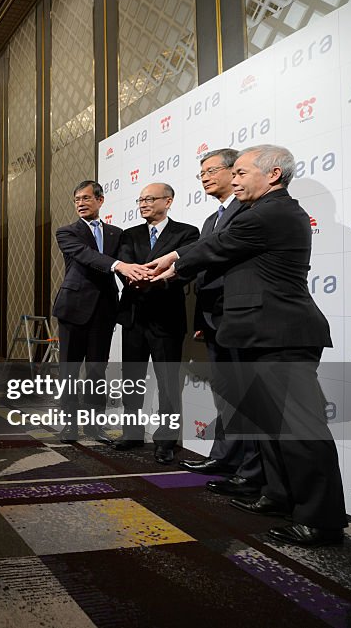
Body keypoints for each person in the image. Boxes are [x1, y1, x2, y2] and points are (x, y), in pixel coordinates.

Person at [150, 144, 347, 547]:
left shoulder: (272, 212)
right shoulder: (259, 212)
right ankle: (278, 495)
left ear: (272, 175)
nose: (233, 179)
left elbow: (214, 246)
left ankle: (322, 520)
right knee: (270, 429)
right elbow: (215, 245)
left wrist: (169, 264)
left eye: (240, 172)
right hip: (260, 335)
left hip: (283, 335)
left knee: (299, 431)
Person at [178, 149, 264, 497]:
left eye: (212, 170)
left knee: (248, 398)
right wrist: (200, 318)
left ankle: (251, 470)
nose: (205, 178)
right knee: (227, 396)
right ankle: (224, 457)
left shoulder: (251, 211)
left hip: (242, 318)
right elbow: (205, 274)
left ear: (234, 172)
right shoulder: (211, 221)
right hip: (215, 318)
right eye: (201, 174)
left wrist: (172, 264)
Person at [52, 180, 149, 442]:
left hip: (104, 310)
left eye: (85, 198)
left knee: (97, 370)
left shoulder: (118, 233)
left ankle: (94, 426)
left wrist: (140, 273)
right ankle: (70, 425)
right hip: (73, 308)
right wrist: (119, 265)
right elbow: (86, 256)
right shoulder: (66, 232)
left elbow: (128, 264)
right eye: (77, 200)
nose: (80, 204)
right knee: (69, 371)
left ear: (100, 200)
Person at [113, 183, 199, 463]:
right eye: (140, 200)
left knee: (168, 383)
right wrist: (142, 275)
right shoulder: (129, 234)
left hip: (167, 318)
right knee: (132, 381)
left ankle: (166, 440)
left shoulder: (187, 233)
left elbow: (184, 271)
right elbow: (126, 269)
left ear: (168, 201)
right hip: (134, 316)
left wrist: (151, 277)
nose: (143, 204)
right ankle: (132, 433)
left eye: (149, 199)